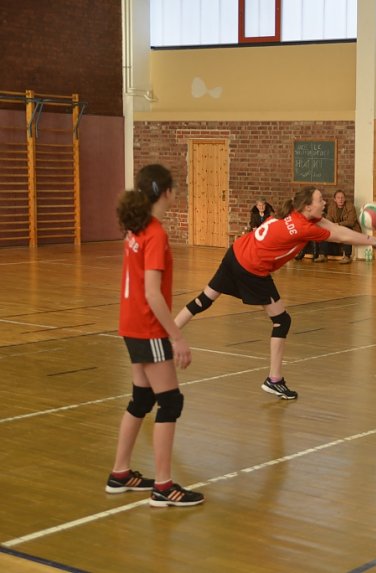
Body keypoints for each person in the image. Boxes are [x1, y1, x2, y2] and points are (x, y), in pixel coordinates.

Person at [175, 186, 376, 399]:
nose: (324, 203)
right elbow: (340, 236)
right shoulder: (303, 228)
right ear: (307, 206)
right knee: (281, 321)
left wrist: (371, 240)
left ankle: (164, 335)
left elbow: (333, 227)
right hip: (251, 268)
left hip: (236, 253)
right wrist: (373, 241)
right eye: (320, 200)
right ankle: (274, 380)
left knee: (204, 299)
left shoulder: (294, 214)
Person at [107, 164, 204, 508]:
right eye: (175, 188)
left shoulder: (136, 228)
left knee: (142, 399)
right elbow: (152, 293)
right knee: (171, 401)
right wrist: (176, 336)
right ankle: (163, 485)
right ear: (166, 192)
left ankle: (120, 473)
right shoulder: (155, 233)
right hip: (147, 327)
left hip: (130, 324)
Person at [325, 189, 361, 264]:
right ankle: (322, 254)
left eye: (342, 197)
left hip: (350, 228)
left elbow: (351, 222)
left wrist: (338, 225)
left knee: (346, 230)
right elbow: (328, 219)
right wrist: (330, 226)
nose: (340, 199)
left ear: (344, 198)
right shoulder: (331, 207)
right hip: (336, 228)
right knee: (324, 229)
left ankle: (347, 256)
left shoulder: (350, 206)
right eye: (338, 197)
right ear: (335, 199)